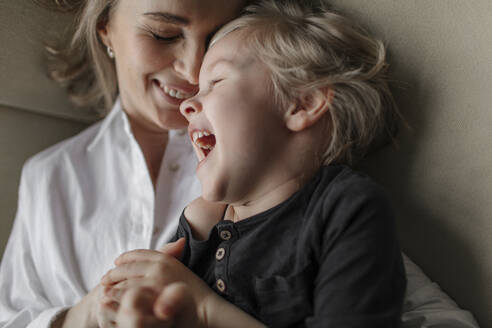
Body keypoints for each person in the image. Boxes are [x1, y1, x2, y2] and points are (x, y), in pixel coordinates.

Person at [101, 1, 407, 326]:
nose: (188, 103)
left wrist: (206, 310)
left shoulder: (346, 210)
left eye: (216, 82)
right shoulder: (201, 228)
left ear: (302, 103)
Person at [0, 0, 251, 327]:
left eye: (217, 38)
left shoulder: (263, 160)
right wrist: (83, 316)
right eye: (163, 34)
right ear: (105, 28)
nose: (193, 70)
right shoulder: (48, 177)